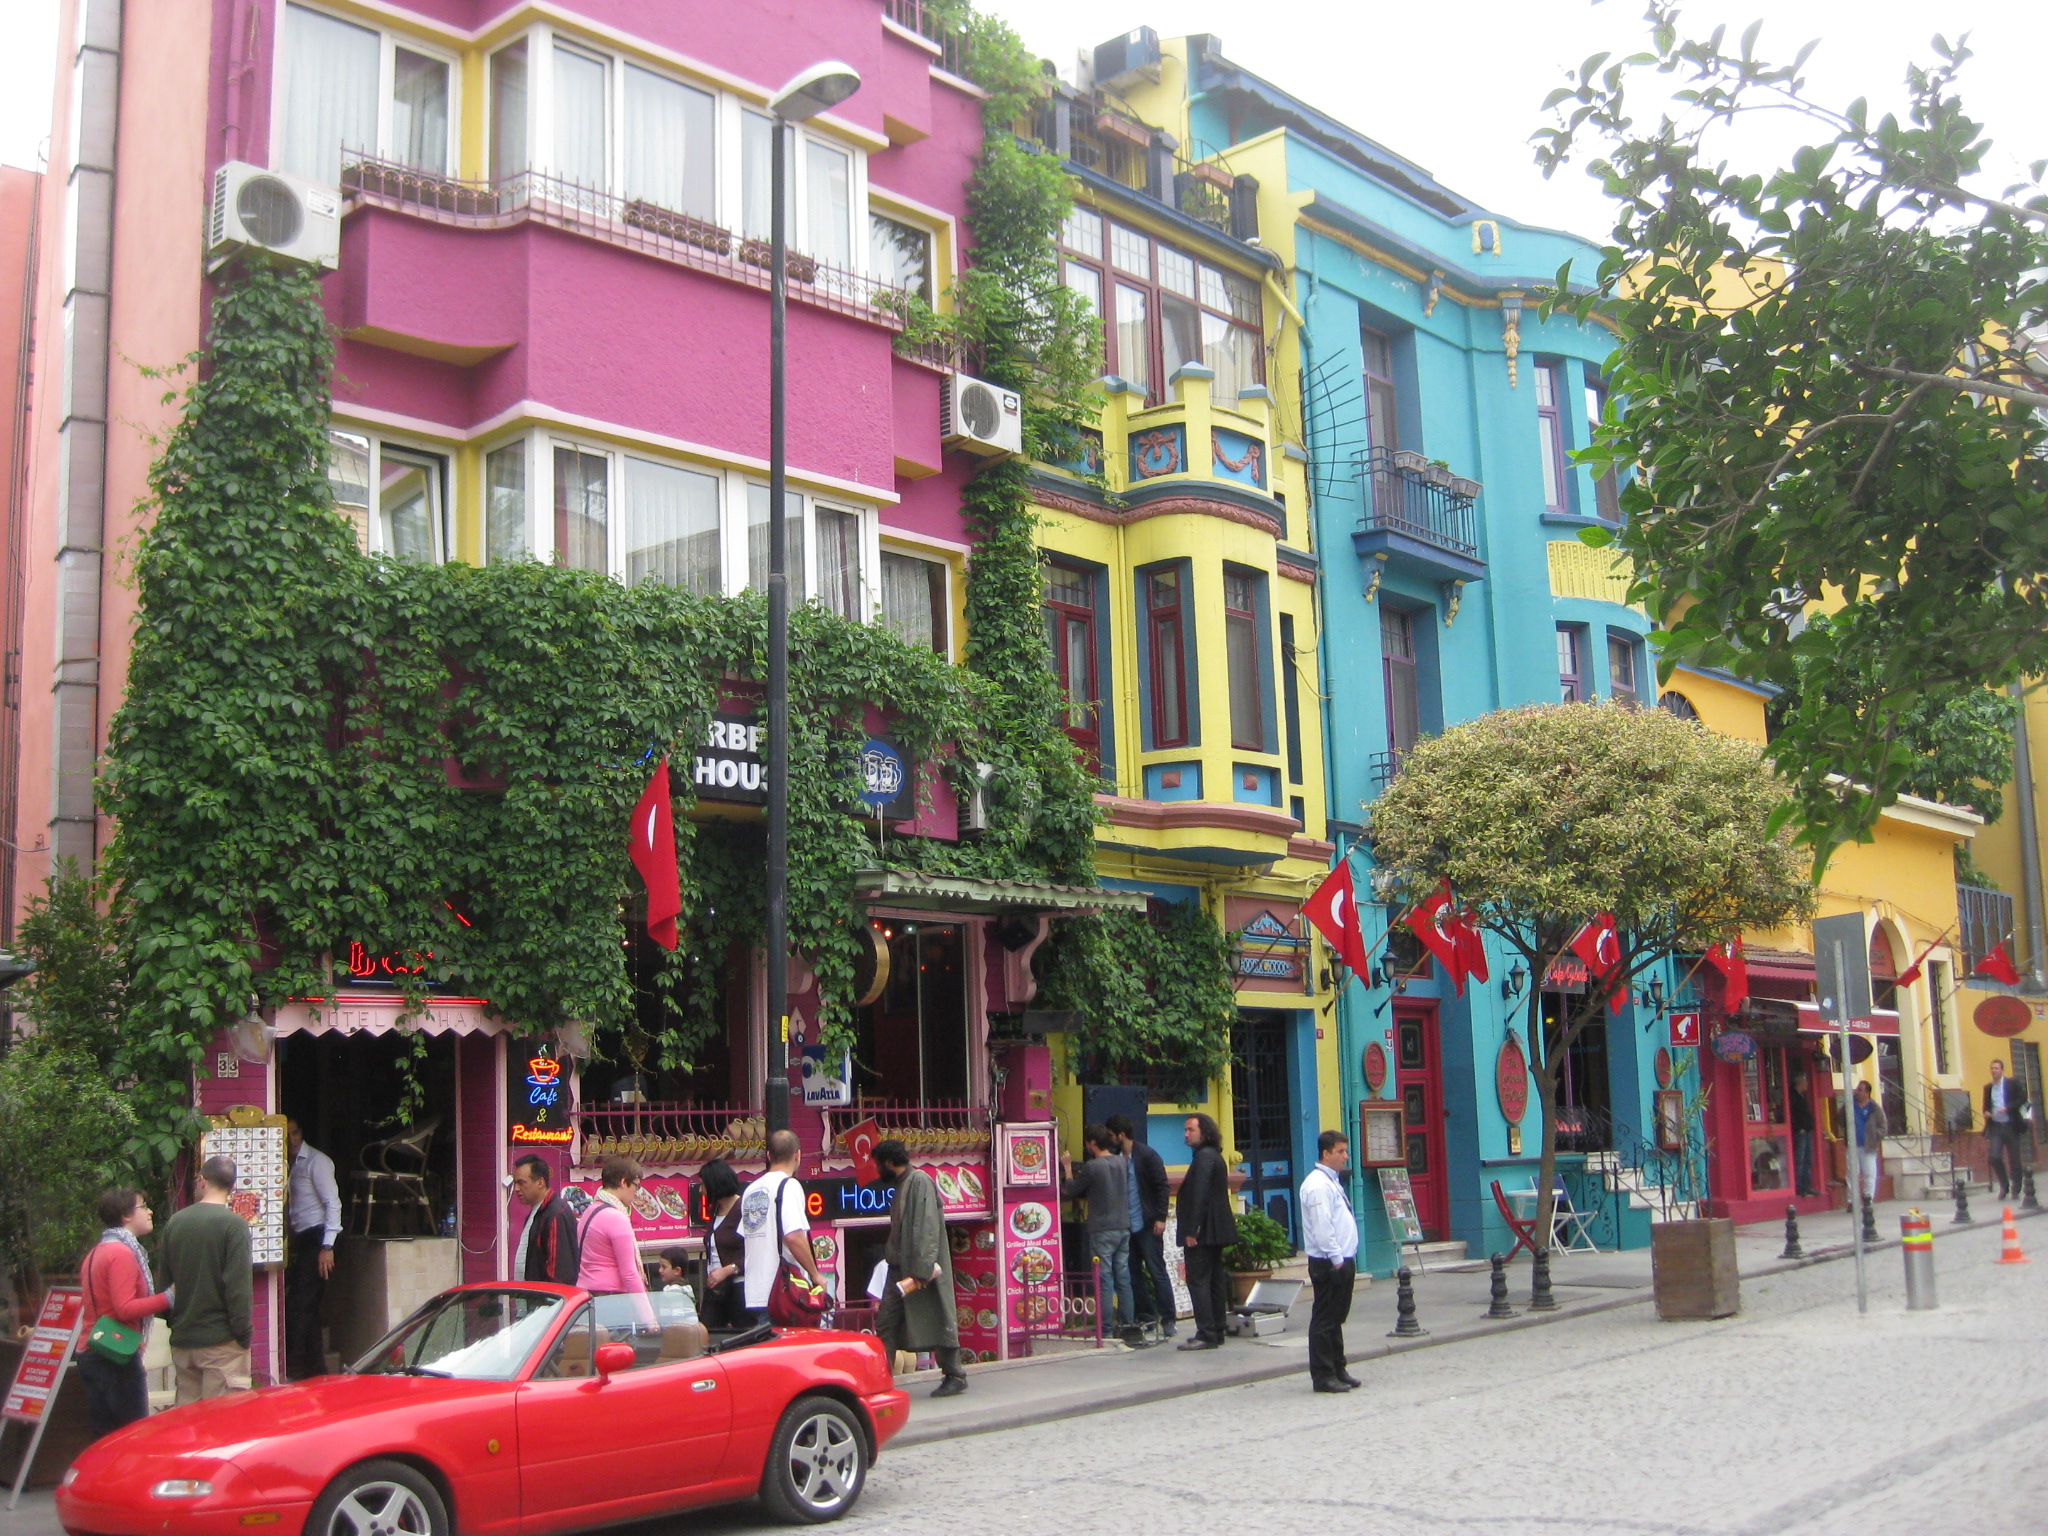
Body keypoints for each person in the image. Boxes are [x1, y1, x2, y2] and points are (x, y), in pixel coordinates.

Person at [872, 1139, 967, 1397]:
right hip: (900, 1268)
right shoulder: (905, 1184)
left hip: (919, 1269)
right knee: (886, 1323)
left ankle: (955, 1374)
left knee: (938, 1317)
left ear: (889, 1163)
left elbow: (927, 1226)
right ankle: (880, 1380)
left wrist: (922, 1270)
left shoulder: (919, 1181)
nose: (877, 1170)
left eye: (879, 1164)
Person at [76, 1188, 171, 1437]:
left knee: (106, 1436)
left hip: (94, 1349)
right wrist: (168, 1298)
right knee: (132, 1435)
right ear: (126, 1215)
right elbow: (125, 1307)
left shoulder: (98, 1251)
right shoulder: (121, 1253)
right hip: (116, 1355)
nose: (150, 1211)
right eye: (143, 1206)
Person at [160, 1155, 253, 1403]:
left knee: (188, 1419)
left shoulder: (176, 1222)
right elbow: (238, 1288)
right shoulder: (234, 1226)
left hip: (184, 1340)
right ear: (233, 1187)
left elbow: (165, 1283)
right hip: (221, 1342)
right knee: (222, 1420)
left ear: (202, 1181)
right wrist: (243, 1335)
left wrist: (174, 1323)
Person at [1298, 1131, 1360, 1394]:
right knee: (1325, 1320)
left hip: (1341, 1259)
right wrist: (1336, 1259)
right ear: (1326, 1154)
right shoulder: (1318, 1186)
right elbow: (1322, 1227)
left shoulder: (1331, 1181)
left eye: (1346, 1151)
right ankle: (1323, 1375)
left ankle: (1338, 1368)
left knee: (1335, 1318)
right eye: (1340, 1151)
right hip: (1329, 1262)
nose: (1346, 1156)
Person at [739, 1129, 824, 1318]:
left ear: (769, 1155)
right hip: (783, 1292)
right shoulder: (789, 1185)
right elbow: (794, 1236)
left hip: (755, 1293)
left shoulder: (750, 1190)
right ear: (798, 1155)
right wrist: (815, 1275)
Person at [1060, 1125, 1135, 1337]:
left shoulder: (1093, 1167)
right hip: (1122, 1225)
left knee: (1104, 1280)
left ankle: (1106, 1329)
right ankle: (1128, 1324)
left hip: (1102, 1228)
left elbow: (1073, 1189)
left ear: (1093, 1142)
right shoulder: (1121, 1161)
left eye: (1087, 1142)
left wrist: (1067, 1167)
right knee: (1123, 1277)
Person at [1175, 1113, 1238, 1351]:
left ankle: (1206, 1332)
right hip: (1214, 1228)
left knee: (1198, 1280)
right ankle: (1217, 1329)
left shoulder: (1204, 1158)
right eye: (1185, 1130)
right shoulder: (1213, 1156)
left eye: (1190, 1130)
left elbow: (1199, 1195)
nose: (1186, 1134)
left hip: (1204, 1230)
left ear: (1204, 1131)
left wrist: (1193, 1230)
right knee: (1214, 1279)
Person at [1109, 1113, 1175, 1339]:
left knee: (1157, 1271)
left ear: (1121, 1135)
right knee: (1132, 1274)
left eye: (1112, 1135)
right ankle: (1146, 1315)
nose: (1110, 1139)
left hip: (1147, 1223)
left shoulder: (1147, 1155)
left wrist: (1161, 1217)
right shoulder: (1117, 1158)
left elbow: (1162, 1186)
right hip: (1127, 1225)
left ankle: (1168, 1318)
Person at [283, 1119, 340, 1380]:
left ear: (301, 1133)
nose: (291, 1139)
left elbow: (332, 1203)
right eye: (286, 1134)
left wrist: (327, 1245)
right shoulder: (290, 1163)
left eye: (295, 1133)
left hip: (318, 1236)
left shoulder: (317, 1161)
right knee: (307, 1305)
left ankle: (299, 1365)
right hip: (302, 1238)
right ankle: (314, 1367)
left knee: (301, 1302)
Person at [576, 1157, 653, 1322]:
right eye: (636, 1186)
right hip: (612, 1299)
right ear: (624, 1182)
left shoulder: (590, 1211)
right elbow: (629, 1274)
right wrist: (649, 1318)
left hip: (586, 1295)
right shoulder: (616, 1217)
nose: (636, 1193)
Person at [696, 1158, 750, 1329]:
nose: (701, 1190)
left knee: (743, 1333)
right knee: (707, 1332)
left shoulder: (744, 1209)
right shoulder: (715, 1211)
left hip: (740, 1287)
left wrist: (729, 1270)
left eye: (703, 1185)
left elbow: (757, 1251)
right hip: (717, 1287)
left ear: (715, 1184)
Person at [511, 1154, 581, 1285]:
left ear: (540, 1183)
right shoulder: (538, 1213)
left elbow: (559, 1271)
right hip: (530, 1293)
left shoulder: (555, 1214)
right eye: (515, 1183)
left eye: (521, 1183)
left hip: (546, 1296)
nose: (516, 1189)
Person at [1983, 1059, 2031, 1201]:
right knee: (1995, 1156)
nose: (1994, 1071)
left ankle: (2016, 1188)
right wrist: (1986, 1112)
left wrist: (2008, 1107)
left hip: (2011, 1125)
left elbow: (2022, 1098)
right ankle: (2004, 1185)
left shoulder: (2011, 1083)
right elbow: (1985, 1106)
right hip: (1996, 1127)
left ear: (2002, 1070)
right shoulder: (1988, 1087)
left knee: (2014, 1158)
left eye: (1996, 1068)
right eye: (1992, 1068)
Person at [1851, 1079, 1887, 1209]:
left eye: (1860, 1090)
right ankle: (1851, 1201)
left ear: (1867, 1093)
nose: (1857, 1092)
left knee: (1869, 1174)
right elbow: (1840, 1119)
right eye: (1857, 1089)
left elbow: (1883, 1127)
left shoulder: (1875, 1108)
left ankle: (1868, 1199)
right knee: (1852, 1174)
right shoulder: (1851, 1106)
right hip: (1853, 1145)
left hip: (1869, 1146)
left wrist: (1874, 1135)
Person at [1788, 1073, 1818, 1198]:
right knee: (1799, 1160)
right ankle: (1799, 1186)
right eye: (1805, 1082)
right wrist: (1798, 1128)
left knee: (1807, 1160)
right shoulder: (1793, 1097)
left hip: (1806, 1131)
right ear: (1799, 1083)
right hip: (1800, 1132)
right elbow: (1791, 1114)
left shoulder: (1801, 1096)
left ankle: (1807, 1186)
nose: (1807, 1084)